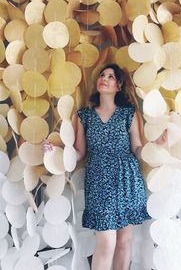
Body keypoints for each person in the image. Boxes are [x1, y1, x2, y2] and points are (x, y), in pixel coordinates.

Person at [44, 63, 167, 270]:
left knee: (123, 243)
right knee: (106, 242)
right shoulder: (84, 116)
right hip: (99, 180)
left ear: (118, 85)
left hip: (127, 179)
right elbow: (79, 153)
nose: (105, 78)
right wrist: (55, 153)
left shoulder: (129, 114)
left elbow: (137, 149)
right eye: (102, 75)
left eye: (111, 77)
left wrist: (156, 146)